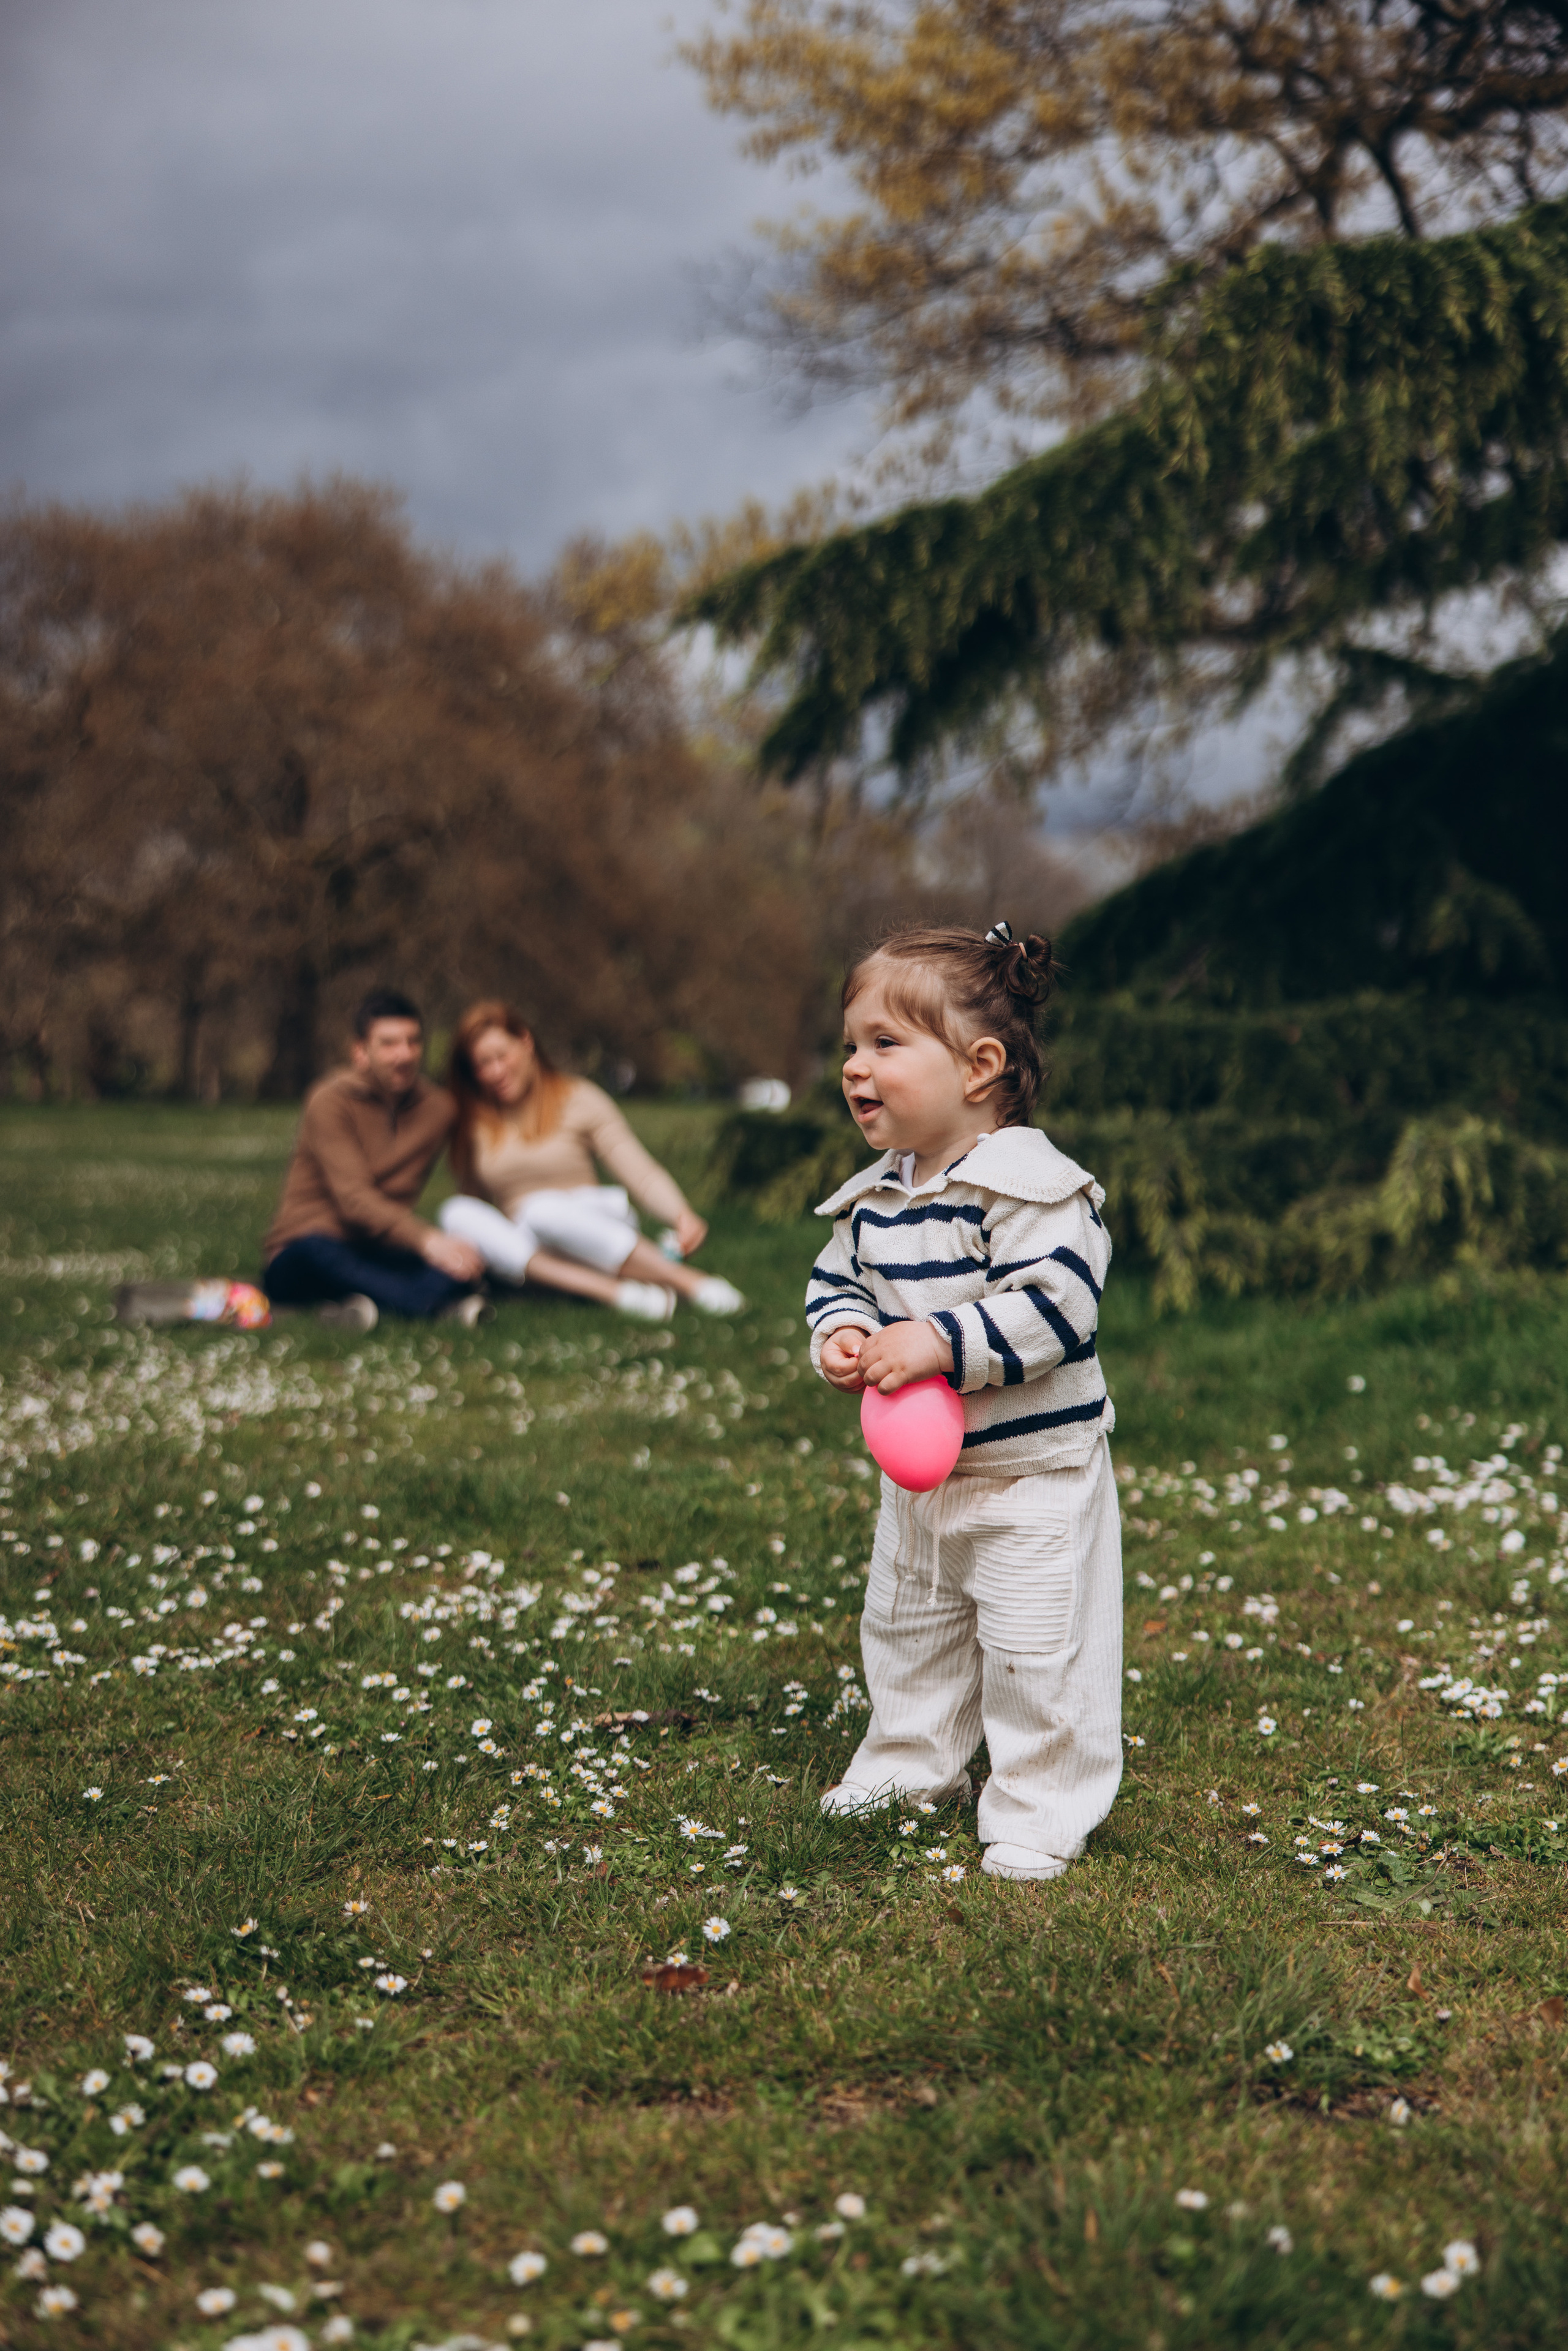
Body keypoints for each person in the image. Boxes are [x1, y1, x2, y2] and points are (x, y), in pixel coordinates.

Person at [806, 919, 1122, 1884]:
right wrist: (845, 1333)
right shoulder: (876, 1199)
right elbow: (839, 1278)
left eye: (886, 1044)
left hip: (1031, 1472)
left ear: (980, 1066)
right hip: (925, 1481)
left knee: (1037, 1648)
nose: (857, 1066)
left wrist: (938, 1341)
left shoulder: (1029, 1187)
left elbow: (1057, 1306)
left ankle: (1039, 1804)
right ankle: (908, 1765)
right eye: (851, 1044)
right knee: (907, 1629)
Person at [437, 1000, 745, 1322]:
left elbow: (638, 1170)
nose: (495, 1072)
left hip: (593, 1223)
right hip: (531, 1246)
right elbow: (476, 1203)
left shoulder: (579, 1098)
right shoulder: (476, 1123)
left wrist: (681, 1214)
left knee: (541, 1210)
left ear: (526, 1042)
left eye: (502, 1056)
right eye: (482, 1065)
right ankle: (616, 1293)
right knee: (455, 1212)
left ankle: (689, 1282)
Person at [260, 989, 486, 1332]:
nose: (405, 1055)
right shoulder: (330, 1101)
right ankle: (425, 1303)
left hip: (376, 1249)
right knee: (318, 1252)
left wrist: (467, 1246)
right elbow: (354, 1200)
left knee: (458, 1263)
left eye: (413, 1042)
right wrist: (429, 1241)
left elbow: (476, 1165)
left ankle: (368, 1306)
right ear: (360, 1052)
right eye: (389, 1044)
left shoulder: (439, 1108)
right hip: (308, 1246)